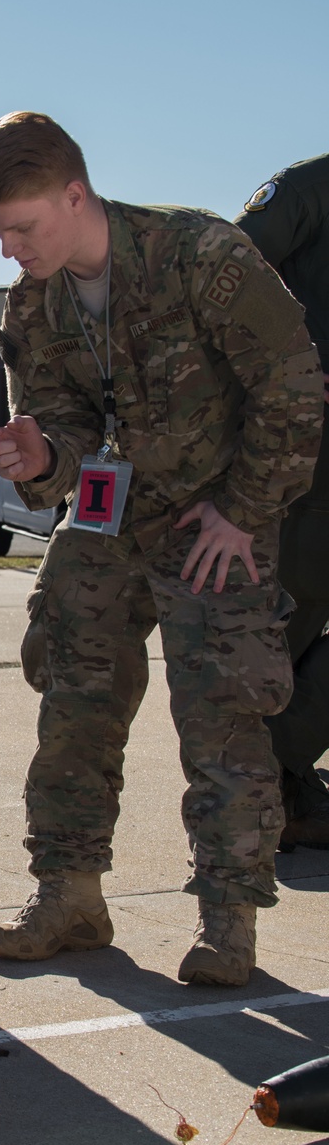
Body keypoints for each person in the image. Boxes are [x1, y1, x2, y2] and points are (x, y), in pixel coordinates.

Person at [0, 112, 322, 986]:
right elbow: (67, 428)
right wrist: (43, 457)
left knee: (223, 717)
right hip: (105, 515)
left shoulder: (201, 256)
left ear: (75, 194)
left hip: (211, 517)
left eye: (22, 226)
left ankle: (228, 924)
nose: (10, 249)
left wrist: (242, 512)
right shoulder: (32, 302)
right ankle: (69, 894)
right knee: (72, 695)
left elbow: (296, 389)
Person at [234, 156, 329, 850]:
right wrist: (286, 368)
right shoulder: (309, 189)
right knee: (286, 632)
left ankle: (273, 780)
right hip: (308, 461)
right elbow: (228, 277)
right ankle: (262, 793)